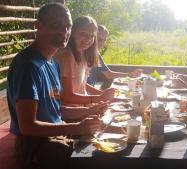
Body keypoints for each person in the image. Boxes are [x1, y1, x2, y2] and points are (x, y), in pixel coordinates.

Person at [6, 3, 104, 168]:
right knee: (94, 159)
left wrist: (90, 110)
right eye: (56, 25)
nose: (64, 32)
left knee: (99, 144)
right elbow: (28, 127)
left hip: (58, 132)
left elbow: (57, 109)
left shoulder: (52, 64)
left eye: (67, 26)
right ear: (38, 26)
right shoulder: (28, 66)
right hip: (36, 144)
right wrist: (77, 127)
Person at [55, 16, 114, 122]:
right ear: (73, 33)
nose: (88, 39)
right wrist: (99, 98)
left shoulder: (83, 53)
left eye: (91, 36)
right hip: (69, 113)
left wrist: (102, 94)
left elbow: (82, 84)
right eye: (83, 34)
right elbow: (67, 96)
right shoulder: (66, 55)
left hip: (82, 107)